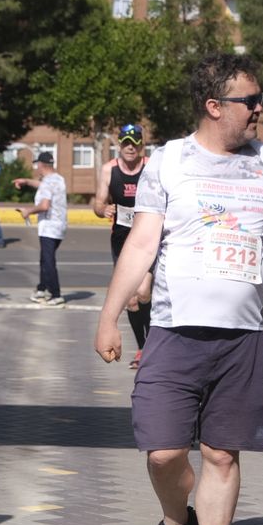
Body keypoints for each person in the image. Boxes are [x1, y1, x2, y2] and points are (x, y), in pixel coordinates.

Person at [92, 53, 263, 525]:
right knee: (164, 452)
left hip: (241, 337)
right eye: (251, 101)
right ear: (215, 106)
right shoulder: (168, 162)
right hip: (173, 332)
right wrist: (109, 315)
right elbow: (142, 244)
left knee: (222, 454)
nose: (261, 109)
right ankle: (176, 523)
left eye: (260, 100)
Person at [93, 123, 153, 367]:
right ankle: (143, 349)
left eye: (135, 142)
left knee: (144, 292)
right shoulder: (109, 170)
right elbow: (97, 203)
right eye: (126, 142)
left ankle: (153, 344)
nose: (131, 147)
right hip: (122, 240)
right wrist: (103, 209)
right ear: (119, 144)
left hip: (148, 238)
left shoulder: (150, 167)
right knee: (130, 299)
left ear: (141, 145)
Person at [15, 152, 67, 306]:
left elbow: (44, 206)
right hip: (60, 226)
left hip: (49, 227)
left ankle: (56, 294)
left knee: (48, 260)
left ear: (41, 165)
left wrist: (27, 211)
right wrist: (26, 181)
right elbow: (43, 185)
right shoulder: (58, 179)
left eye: (37, 164)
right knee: (45, 259)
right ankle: (41, 289)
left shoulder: (47, 182)